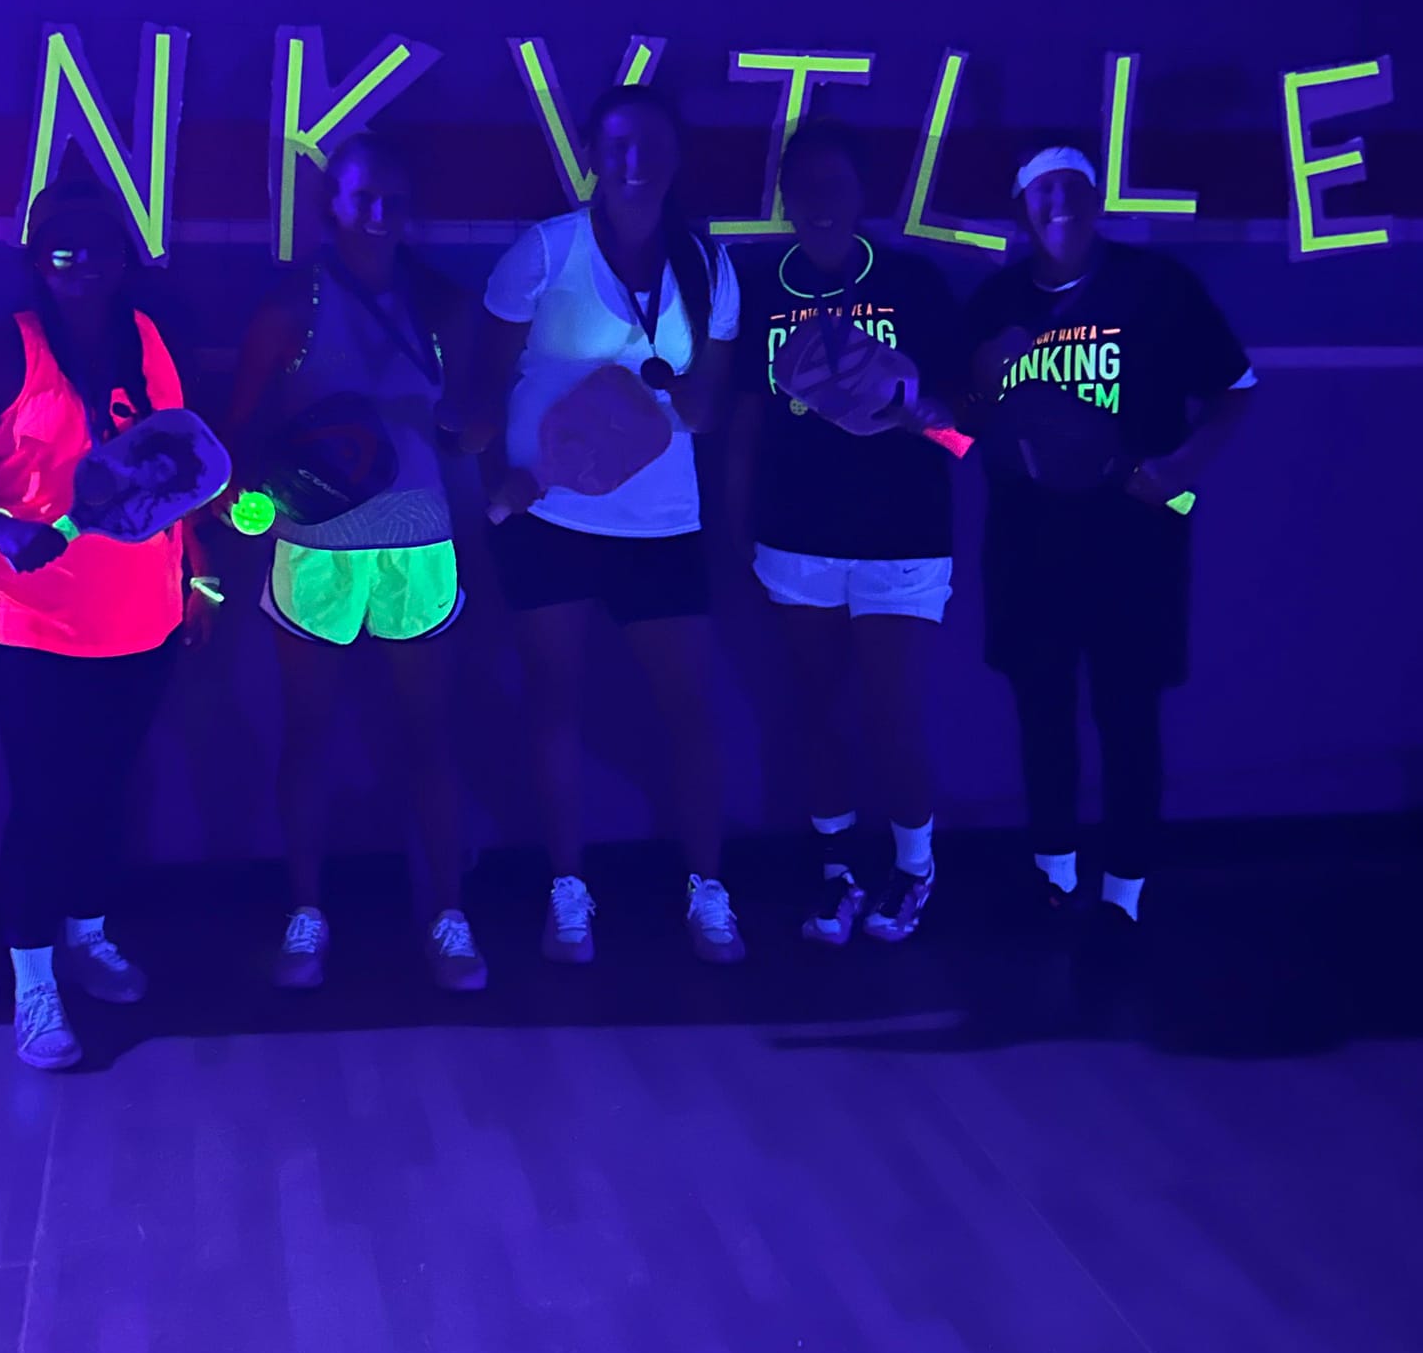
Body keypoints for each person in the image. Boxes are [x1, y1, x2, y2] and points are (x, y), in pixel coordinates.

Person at [0, 180, 216, 1069]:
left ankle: (87, 935)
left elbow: (177, 467)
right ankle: (34, 979)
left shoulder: (148, 340)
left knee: (106, 785)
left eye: (99, 242)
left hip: (142, 610)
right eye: (64, 244)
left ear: (124, 256)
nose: (83, 259)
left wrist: (200, 572)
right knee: (44, 797)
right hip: (29, 619)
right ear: (36, 257)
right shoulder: (3, 351)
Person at [463, 84, 743, 963]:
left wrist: (666, 397)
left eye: (652, 143)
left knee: (689, 707)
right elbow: (481, 387)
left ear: (676, 155)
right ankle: (568, 890)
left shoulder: (710, 267)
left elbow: (706, 407)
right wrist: (502, 483)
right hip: (546, 518)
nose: (635, 160)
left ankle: (708, 889)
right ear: (591, 153)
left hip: (662, 524)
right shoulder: (544, 252)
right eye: (618, 144)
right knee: (554, 700)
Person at [966, 143, 1256, 931]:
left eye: (1074, 186)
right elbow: (962, 428)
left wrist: (1180, 467)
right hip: (1028, 549)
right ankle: (1055, 878)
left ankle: (1125, 893)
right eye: (1043, 189)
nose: (1059, 201)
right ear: (1021, 206)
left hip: (1135, 550)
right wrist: (966, 394)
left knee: (1129, 716)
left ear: (1096, 199)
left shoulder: (1156, 286)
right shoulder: (994, 302)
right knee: (1043, 714)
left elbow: (1237, 389)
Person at [225, 135, 483, 992]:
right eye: (362, 196)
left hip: (419, 537)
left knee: (430, 732)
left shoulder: (442, 303)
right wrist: (248, 499)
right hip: (317, 543)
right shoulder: (289, 305)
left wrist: (474, 429)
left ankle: (449, 913)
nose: (378, 213)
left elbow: (470, 425)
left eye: (393, 198)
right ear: (332, 203)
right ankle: (305, 912)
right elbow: (239, 429)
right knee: (308, 731)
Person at [726, 120, 962, 942]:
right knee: (815, 709)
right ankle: (837, 872)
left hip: (904, 536)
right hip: (795, 535)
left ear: (864, 194)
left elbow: (963, 433)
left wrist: (927, 419)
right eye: (805, 186)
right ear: (784, 198)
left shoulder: (914, 283)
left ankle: (914, 866)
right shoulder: (761, 289)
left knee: (892, 713)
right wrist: (735, 528)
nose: (821, 201)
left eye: (837, 184)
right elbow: (744, 424)